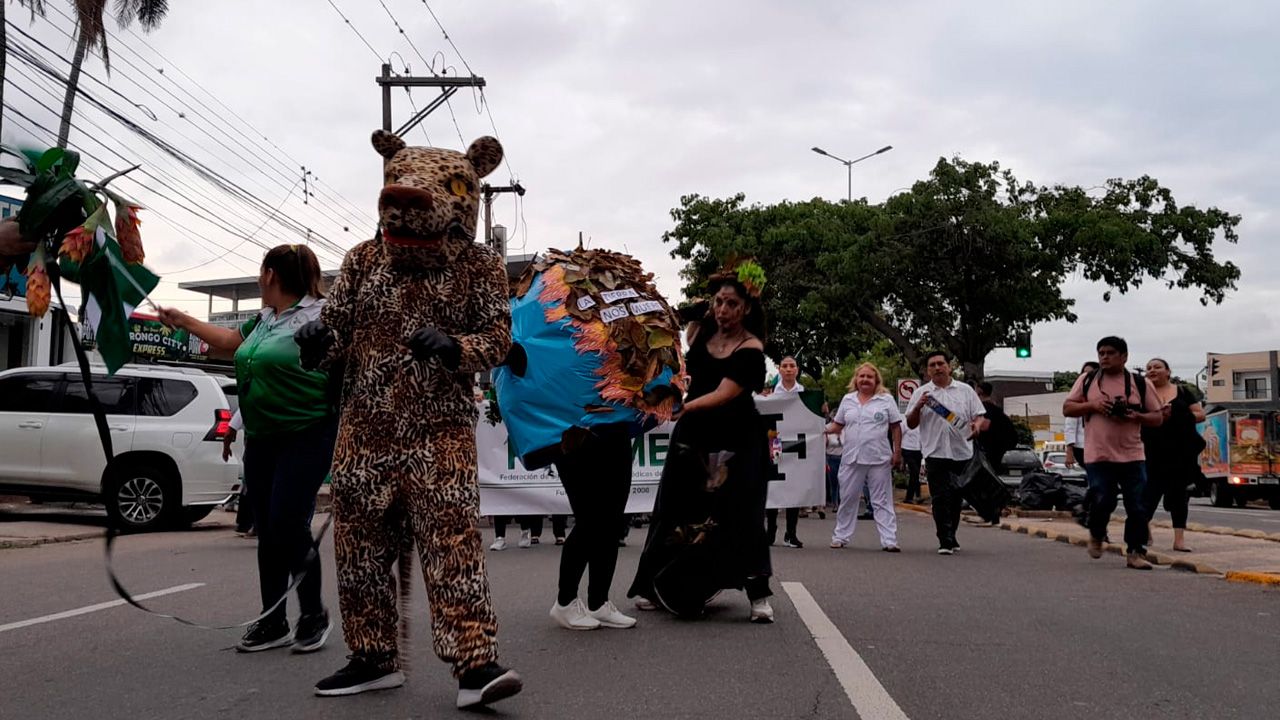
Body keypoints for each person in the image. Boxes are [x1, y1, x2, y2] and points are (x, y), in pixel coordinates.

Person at [293, 131, 521, 709]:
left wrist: (454, 347)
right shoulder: (363, 259)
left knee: (453, 547)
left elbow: (499, 339)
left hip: (439, 435)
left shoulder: (479, 266)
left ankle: (475, 665)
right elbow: (337, 332)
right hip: (363, 432)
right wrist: (317, 340)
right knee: (359, 548)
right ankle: (372, 656)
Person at [158, 244, 337, 654]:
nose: (258, 277)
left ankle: (313, 614)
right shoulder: (264, 320)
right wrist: (181, 319)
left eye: (261, 270)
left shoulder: (321, 316)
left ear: (271, 274)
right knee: (268, 529)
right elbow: (227, 344)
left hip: (306, 432)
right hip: (262, 437)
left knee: (288, 523)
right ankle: (272, 621)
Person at [627, 262, 774, 623]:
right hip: (694, 437)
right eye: (719, 302)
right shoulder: (704, 332)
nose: (723, 310)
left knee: (741, 512)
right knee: (675, 508)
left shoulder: (751, 348)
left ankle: (758, 595)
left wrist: (685, 407)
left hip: (736, 439)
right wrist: (690, 313)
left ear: (747, 309)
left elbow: (726, 393)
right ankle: (655, 585)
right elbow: (683, 350)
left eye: (732, 305)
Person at [1063, 336, 1163, 570]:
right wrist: (1093, 406)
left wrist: (1136, 416)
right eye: (1101, 353)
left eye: (1110, 353)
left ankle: (1136, 551)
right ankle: (1097, 534)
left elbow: (1157, 417)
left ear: (1124, 357)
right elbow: (1068, 408)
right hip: (1099, 455)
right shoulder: (1087, 380)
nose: (1104, 357)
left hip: (1132, 455)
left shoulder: (1140, 383)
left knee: (1137, 506)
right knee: (1102, 500)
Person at [905, 351, 988, 555]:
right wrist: (918, 407)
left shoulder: (965, 391)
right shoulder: (922, 393)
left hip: (961, 453)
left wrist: (976, 427)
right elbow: (911, 423)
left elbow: (980, 417)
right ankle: (945, 538)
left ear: (949, 367)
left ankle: (952, 533)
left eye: (940, 363)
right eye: (932, 365)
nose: (937, 367)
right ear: (927, 371)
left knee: (956, 497)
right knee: (940, 497)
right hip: (935, 452)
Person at [827, 363, 902, 551]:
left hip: (879, 457)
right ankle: (841, 536)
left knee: (881, 500)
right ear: (856, 379)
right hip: (852, 457)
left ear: (876, 380)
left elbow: (895, 427)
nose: (865, 380)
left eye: (869, 377)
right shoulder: (848, 400)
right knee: (848, 498)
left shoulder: (885, 400)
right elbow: (837, 425)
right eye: (862, 377)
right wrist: (817, 430)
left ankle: (889, 540)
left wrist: (897, 452)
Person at [1141, 358, 1205, 553]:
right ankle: (1145, 529)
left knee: (1179, 495)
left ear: (1168, 371)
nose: (1152, 370)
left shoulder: (1183, 392)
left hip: (1180, 451)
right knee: (1148, 495)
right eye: (1149, 368)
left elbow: (1200, 414)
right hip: (1150, 451)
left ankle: (1179, 540)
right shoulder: (1142, 394)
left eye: (1157, 367)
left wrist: (1178, 416)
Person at [765, 356, 804, 548]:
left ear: (797, 369)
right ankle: (770, 530)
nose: (788, 369)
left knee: (794, 487)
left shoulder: (805, 393)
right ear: (779, 369)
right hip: (776, 440)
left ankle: (791, 533)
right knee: (775, 486)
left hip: (797, 442)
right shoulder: (771, 393)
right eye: (785, 366)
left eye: (792, 366)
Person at [974, 382, 1018, 473]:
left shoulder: (984, 408)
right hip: (1001, 445)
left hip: (993, 447)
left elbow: (984, 426)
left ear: (979, 392)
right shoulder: (995, 408)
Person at [1064, 361, 1100, 469]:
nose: (1087, 376)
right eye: (1084, 373)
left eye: (1091, 373)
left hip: (1102, 445)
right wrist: (1069, 451)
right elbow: (1070, 426)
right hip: (1082, 446)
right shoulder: (1077, 397)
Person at [901, 419, 924, 504]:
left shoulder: (922, 424)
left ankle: (918, 495)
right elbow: (899, 435)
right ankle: (909, 497)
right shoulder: (905, 423)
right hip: (907, 449)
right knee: (914, 472)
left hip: (918, 451)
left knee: (916, 474)